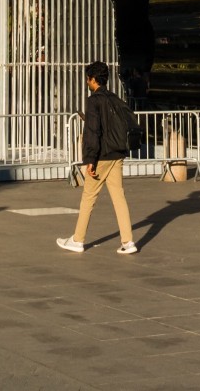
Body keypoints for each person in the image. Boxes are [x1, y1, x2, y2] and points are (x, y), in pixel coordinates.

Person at [57, 61, 139, 255]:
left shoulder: (94, 100)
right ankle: (128, 241)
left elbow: (93, 131)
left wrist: (90, 160)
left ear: (93, 79)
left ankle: (78, 240)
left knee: (88, 197)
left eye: (88, 79)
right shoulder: (115, 99)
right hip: (117, 153)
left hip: (102, 155)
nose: (87, 82)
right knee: (119, 197)